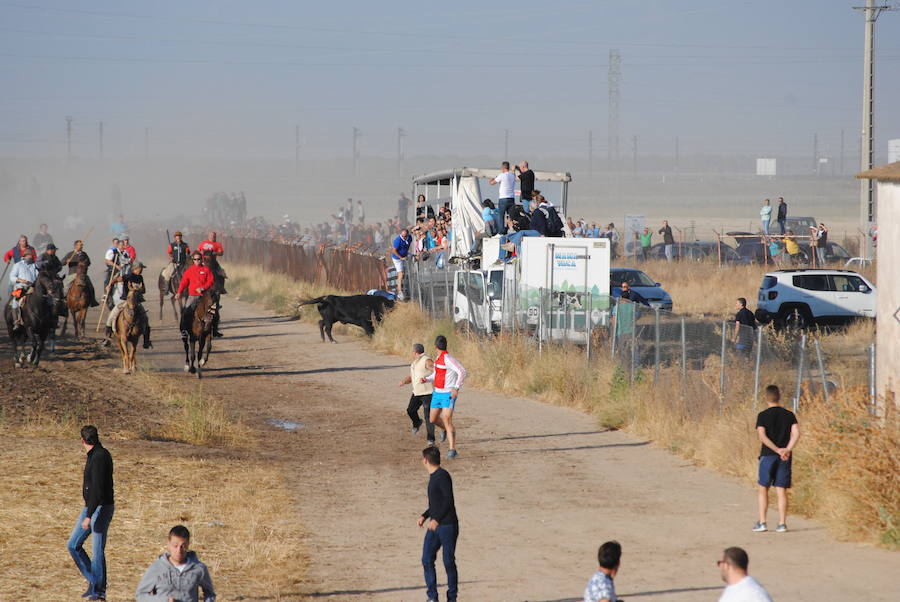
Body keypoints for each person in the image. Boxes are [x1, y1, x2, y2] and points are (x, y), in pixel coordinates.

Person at [67, 425, 114, 602]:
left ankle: (99, 591)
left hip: (100, 508)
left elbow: (98, 490)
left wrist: (89, 516)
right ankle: (94, 582)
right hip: (91, 507)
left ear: (82, 440)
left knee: (97, 550)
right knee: (73, 545)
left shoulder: (99, 457)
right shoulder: (96, 455)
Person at [753, 385, 800, 533]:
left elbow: (762, 436)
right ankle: (782, 523)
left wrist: (776, 449)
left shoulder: (763, 415)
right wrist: (787, 449)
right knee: (781, 490)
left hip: (768, 455)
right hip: (785, 457)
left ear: (766, 398)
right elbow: (797, 433)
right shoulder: (789, 415)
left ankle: (762, 522)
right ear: (779, 396)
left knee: (763, 489)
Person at [418, 446, 459, 602]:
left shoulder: (442, 476)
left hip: (447, 526)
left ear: (426, 460)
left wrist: (436, 519)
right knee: (427, 558)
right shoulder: (434, 476)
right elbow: (437, 503)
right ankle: (432, 597)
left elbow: (448, 501)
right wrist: (425, 515)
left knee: (448, 561)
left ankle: (452, 597)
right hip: (435, 526)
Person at [135, 525, 217, 602]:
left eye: (183, 546)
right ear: (168, 544)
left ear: (188, 544)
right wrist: (162, 600)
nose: (179, 550)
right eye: (175, 545)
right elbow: (141, 595)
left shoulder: (199, 568)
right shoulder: (157, 568)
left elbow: (210, 594)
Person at [421, 335, 466, 459]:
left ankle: (452, 449)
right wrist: (427, 379)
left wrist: (456, 388)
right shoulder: (438, 358)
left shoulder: (448, 359)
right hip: (437, 393)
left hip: (448, 394)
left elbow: (462, 371)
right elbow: (436, 374)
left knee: (446, 419)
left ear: (436, 347)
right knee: (432, 419)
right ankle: (445, 429)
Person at [103, 262, 152, 349]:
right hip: (125, 301)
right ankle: (107, 338)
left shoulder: (140, 277)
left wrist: (139, 289)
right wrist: (110, 285)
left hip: (137, 303)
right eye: (141, 268)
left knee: (146, 319)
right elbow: (116, 280)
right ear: (135, 269)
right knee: (111, 316)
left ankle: (146, 341)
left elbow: (144, 290)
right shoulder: (127, 276)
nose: (142, 270)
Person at [400, 343, 437, 445]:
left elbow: (435, 369)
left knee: (428, 416)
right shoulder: (414, 363)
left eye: (412, 351)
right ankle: (417, 422)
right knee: (410, 410)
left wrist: (431, 375)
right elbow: (413, 377)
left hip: (428, 392)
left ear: (415, 352)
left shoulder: (426, 360)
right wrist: (404, 381)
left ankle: (431, 439)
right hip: (416, 392)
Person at [177, 252, 215, 334]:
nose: (197, 261)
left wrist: (203, 288)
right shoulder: (189, 270)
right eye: (195, 259)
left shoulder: (206, 269)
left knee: (213, 310)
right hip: (193, 296)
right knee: (185, 312)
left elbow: (211, 281)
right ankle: (184, 331)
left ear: (202, 260)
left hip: (205, 296)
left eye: (199, 259)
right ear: (193, 260)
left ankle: (214, 330)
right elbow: (184, 282)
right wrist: (179, 292)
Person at [62, 240, 99, 305]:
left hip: (82, 274)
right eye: (80, 245)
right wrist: (66, 261)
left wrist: (84, 262)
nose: (82, 246)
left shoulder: (84, 254)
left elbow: (89, 263)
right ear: (76, 246)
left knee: (90, 286)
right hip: (72, 274)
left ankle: (93, 300)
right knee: (65, 285)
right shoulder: (70, 254)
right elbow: (61, 262)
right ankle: (63, 299)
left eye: (82, 245)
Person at [9, 253, 38, 327]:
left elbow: (37, 275)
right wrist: (21, 280)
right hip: (20, 287)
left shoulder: (34, 265)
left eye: (31, 257)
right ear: (24, 257)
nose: (30, 258)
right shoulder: (18, 265)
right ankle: (16, 322)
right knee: (14, 302)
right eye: (29, 257)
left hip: (32, 288)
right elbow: (12, 277)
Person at [489, 161, 517, 234]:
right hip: (511, 198)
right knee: (510, 216)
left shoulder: (501, 175)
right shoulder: (512, 175)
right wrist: (514, 170)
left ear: (503, 167)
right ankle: (510, 230)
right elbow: (514, 173)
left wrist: (491, 179)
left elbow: (492, 183)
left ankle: (501, 232)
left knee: (501, 216)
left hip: (503, 198)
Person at [391, 228, 413, 300]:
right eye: (403, 236)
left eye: (405, 236)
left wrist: (406, 254)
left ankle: (407, 288)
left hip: (404, 256)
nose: (404, 237)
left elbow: (407, 246)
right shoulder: (397, 240)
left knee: (407, 273)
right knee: (401, 274)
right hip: (397, 259)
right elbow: (394, 251)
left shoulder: (409, 238)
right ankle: (400, 292)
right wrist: (401, 257)